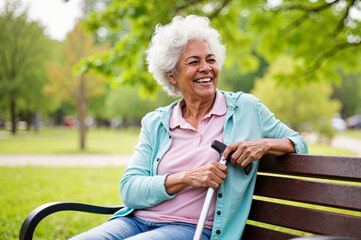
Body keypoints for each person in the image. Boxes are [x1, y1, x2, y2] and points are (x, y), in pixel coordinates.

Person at [70, 15, 307, 240]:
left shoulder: (246, 108)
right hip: (135, 221)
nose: (206, 68)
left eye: (210, 59)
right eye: (194, 62)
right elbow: (130, 190)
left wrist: (263, 145)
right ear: (172, 76)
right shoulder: (157, 122)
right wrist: (186, 177)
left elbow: (299, 144)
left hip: (191, 228)